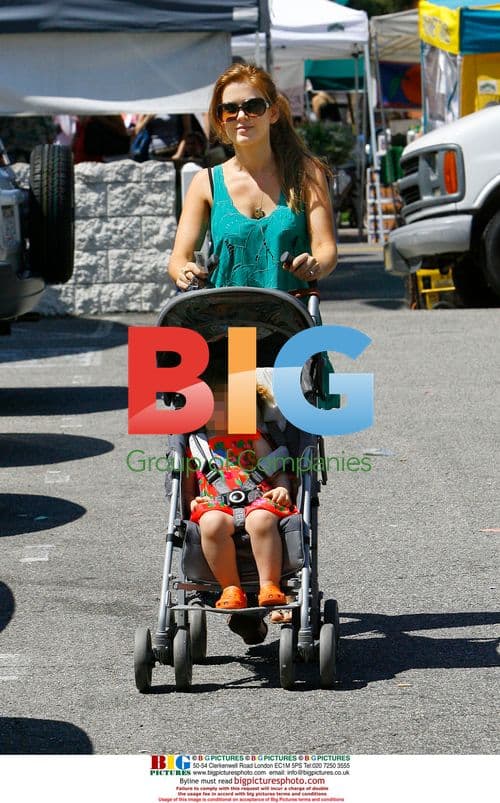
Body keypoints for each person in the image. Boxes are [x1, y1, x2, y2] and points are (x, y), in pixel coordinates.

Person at [167, 62, 337, 291]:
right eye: (229, 109)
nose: (241, 116)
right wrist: (185, 272)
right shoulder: (205, 183)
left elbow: (326, 248)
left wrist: (316, 265)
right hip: (230, 319)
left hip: (291, 317)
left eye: (253, 106)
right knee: (237, 329)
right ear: (220, 120)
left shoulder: (306, 173)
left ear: (273, 112)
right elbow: (180, 258)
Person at [184, 383, 298, 640]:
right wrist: (190, 501)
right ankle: (231, 588)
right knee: (211, 524)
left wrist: (283, 489)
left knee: (262, 521)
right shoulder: (198, 446)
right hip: (216, 503)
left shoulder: (254, 437)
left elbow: (275, 467)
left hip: (257, 499)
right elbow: (187, 484)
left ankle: (269, 584)